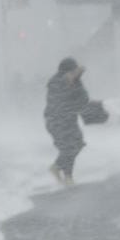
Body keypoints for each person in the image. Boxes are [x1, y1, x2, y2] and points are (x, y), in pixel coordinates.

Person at [44, 58, 88, 186]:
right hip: (56, 121)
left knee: (78, 144)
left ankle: (57, 168)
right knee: (68, 147)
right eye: (73, 70)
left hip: (69, 119)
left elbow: (84, 99)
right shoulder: (55, 82)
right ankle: (67, 176)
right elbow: (61, 101)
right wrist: (72, 82)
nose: (75, 73)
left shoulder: (74, 81)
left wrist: (77, 80)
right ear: (66, 71)